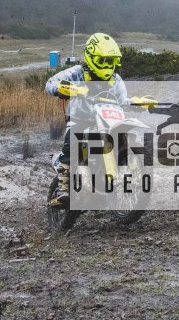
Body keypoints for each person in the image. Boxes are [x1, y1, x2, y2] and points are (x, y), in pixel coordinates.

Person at [45, 32, 150, 203]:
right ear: (91, 57)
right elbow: (50, 83)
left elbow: (122, 100)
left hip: (108, 120)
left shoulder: (115, 80)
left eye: (111, 61)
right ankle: (63, 185)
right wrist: (65, 88)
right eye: (103, 60)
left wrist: (137, 103)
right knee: (74, 138)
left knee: (123, 135)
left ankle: (130, 172)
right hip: (81, 120)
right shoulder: (77, 72)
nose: (107, 65)